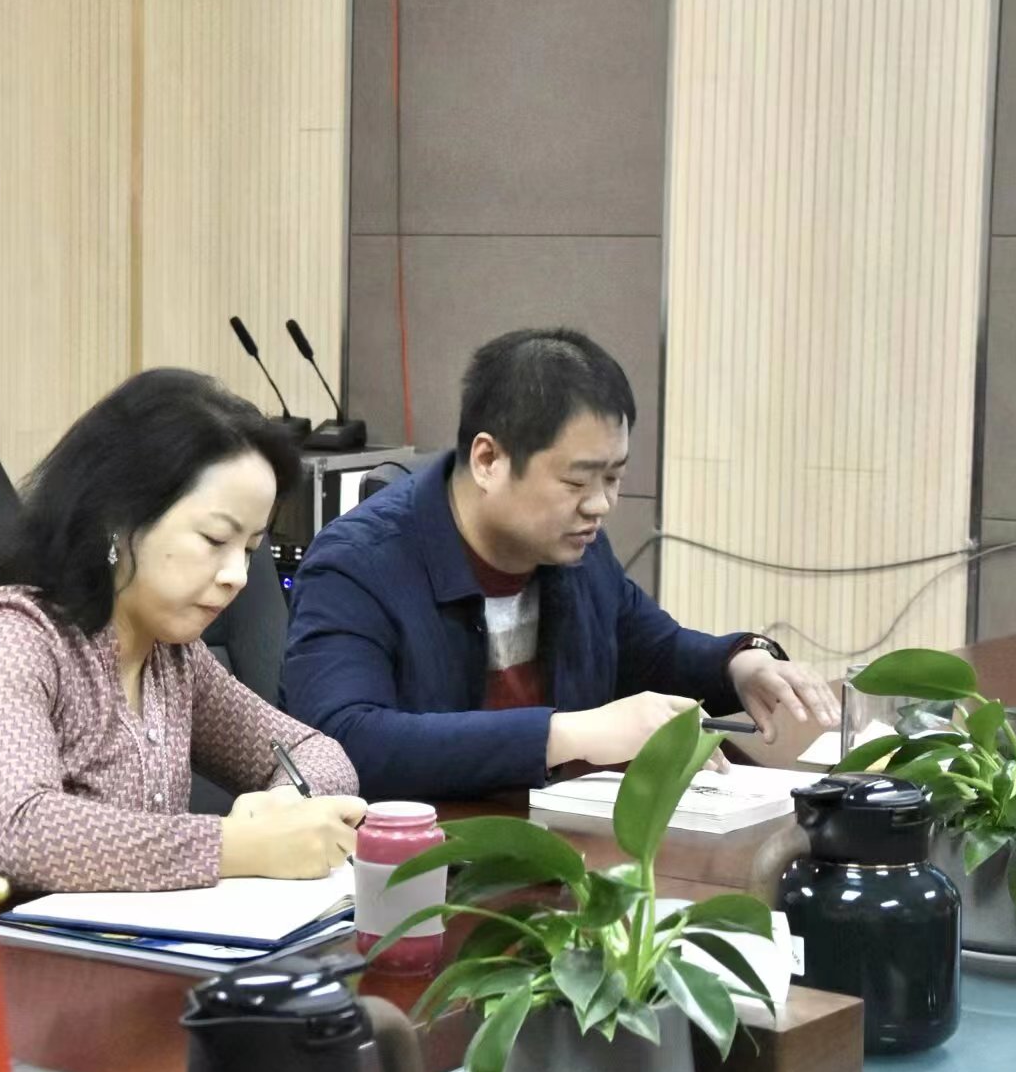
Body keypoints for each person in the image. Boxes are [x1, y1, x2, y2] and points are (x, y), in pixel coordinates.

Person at [0, 369, 366, 923]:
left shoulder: (169, 654)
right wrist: (237, 845)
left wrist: (283, 807)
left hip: (79, 949)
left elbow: (314, 753)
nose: (237, 575)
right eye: (215, 539)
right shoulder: (2, 638)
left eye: (250, 548)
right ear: (118, 516)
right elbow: (21, 832)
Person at [282, 328, 838, 800]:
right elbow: (343, 740)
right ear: (489, 459)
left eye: (614, 477)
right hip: (424, 865)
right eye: (577, 481)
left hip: (560, 843)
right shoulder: (358, 564)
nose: (601, 505)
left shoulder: (577, 551)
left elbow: (651, 650)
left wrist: (739, 664)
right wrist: (565, 735)